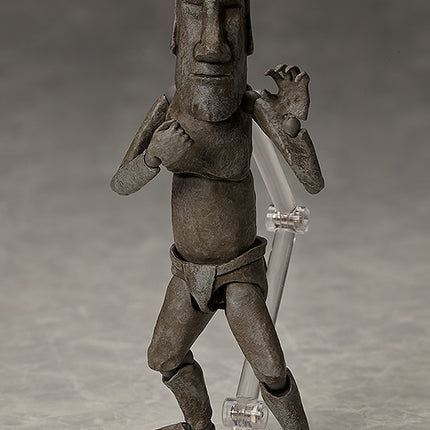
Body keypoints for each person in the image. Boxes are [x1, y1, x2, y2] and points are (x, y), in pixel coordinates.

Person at [111, 1, 324, 429]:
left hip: (238, 271)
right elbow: (121, 182)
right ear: (177, 34)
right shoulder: (168, 108)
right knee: (163, 356)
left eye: (229, 15)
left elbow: (311, 181)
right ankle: (199, 425)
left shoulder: (248, 107)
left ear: (246, 38)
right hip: (188, 274)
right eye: (195, 11)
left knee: (270, 366)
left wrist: (292, 125)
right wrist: (153, 157)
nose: (213, 46)